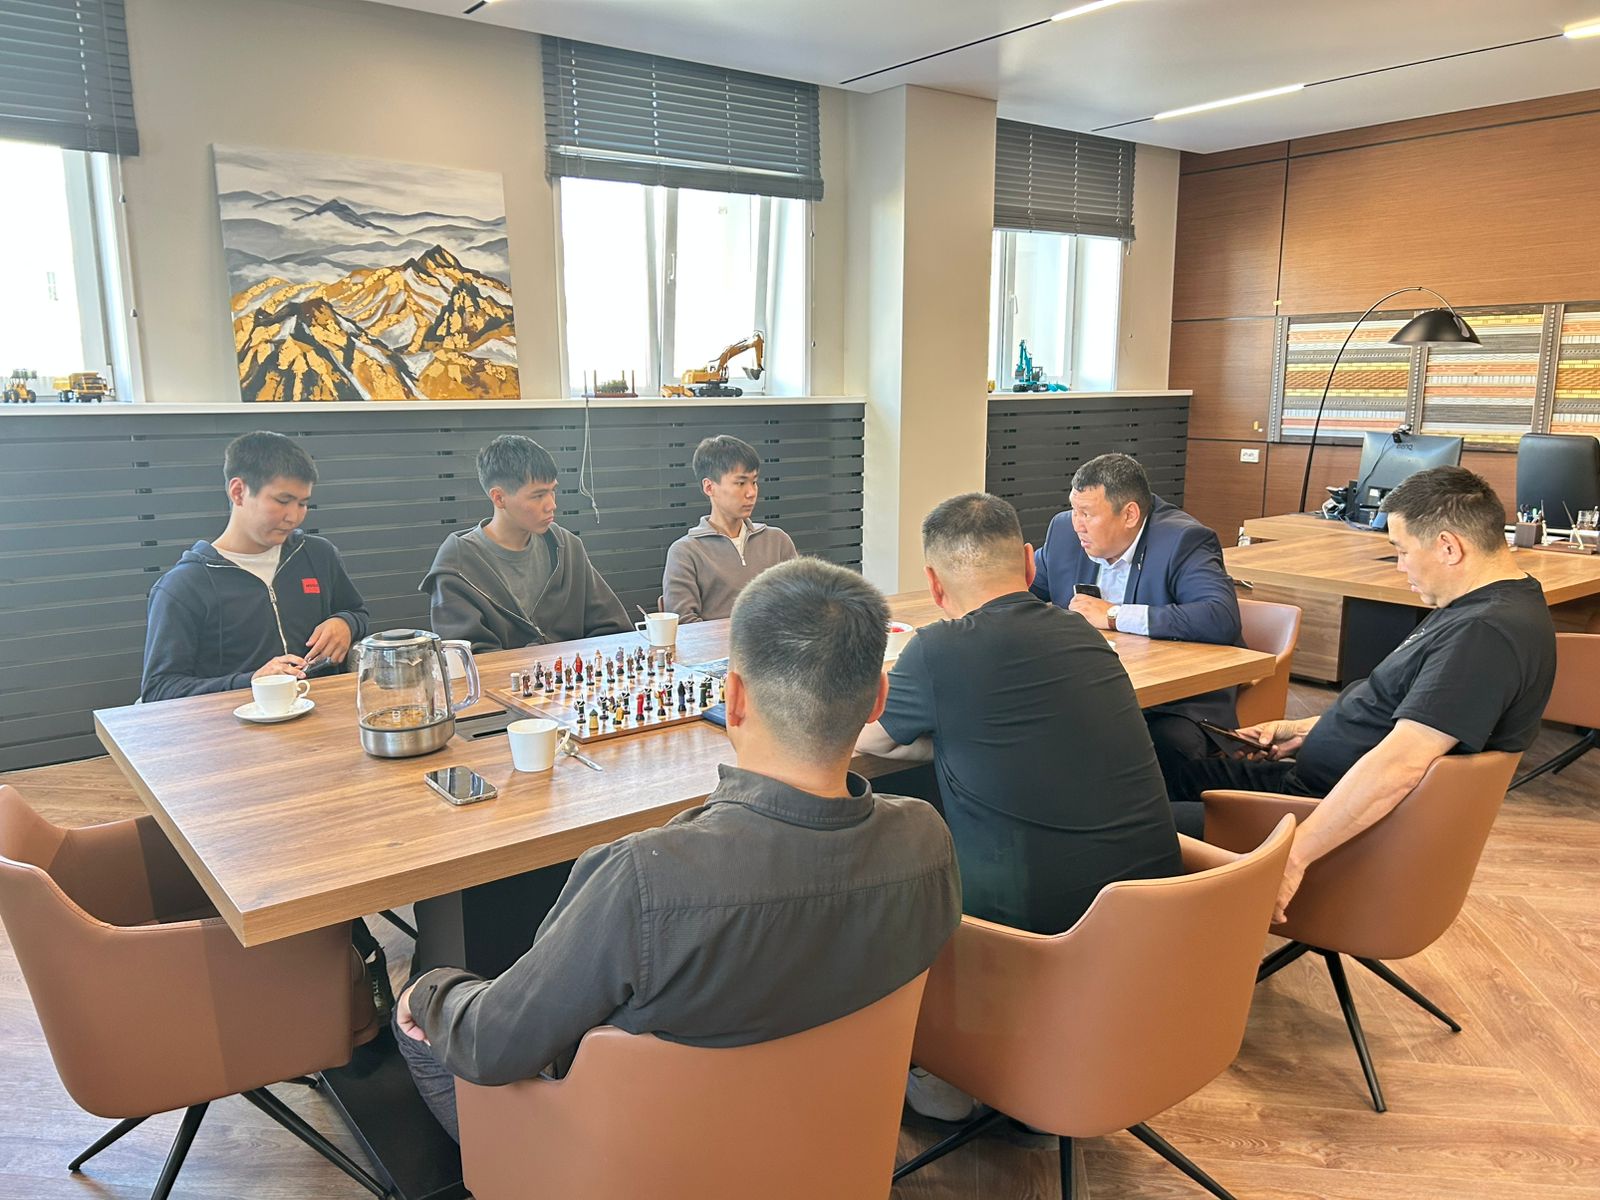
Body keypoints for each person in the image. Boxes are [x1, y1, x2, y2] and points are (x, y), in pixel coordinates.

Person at [394, 558, 962, 1142]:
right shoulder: (927, 839)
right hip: (836, 1141)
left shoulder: (639, 878)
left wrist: (431, 989)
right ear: (878, 700)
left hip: (644, 1162)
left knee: (419, 1018)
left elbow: (490, 1044)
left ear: (732, 698)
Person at [859, 492, 1181, 1127]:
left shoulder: (938, 651)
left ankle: (944, 1073)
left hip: (1030, 946)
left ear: (933, 584)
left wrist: (946, 732)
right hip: (1149, 934)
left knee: (873, 883)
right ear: (1031, 564)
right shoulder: (1083, 633)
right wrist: (963, 733)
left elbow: (868, 739)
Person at [1169, 466, 1556, 921]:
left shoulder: (1484, 635)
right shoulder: (1493, 607)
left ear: (1448, 547)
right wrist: (1310, 730)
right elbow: (1410, 714)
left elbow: (1401, 764)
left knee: (1130, 822)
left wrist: (1292, 858)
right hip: (1314, 788)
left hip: (1315, 818)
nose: (1400, 566)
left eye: (1402, 551)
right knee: (1163, 764)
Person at [1030, 453, 1243, 792]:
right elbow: (1024, 590)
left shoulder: (1182, 540)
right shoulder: (1063, 533)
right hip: (1087, 688)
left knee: (1161, 748)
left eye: (1087, 514)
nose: (1076, 524)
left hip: (1172, 702)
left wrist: (1113, 615)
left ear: (1129, 514)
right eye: (1074, 510)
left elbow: (1220, 616)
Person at [140, 430, 370, 702]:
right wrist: (252, 682)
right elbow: (159, 691)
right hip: (233, 726)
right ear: (238, 492)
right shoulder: (184, 586)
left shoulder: (318, 555)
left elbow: (357, 612)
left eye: (303, 503)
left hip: (325, 717)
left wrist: (345, 623)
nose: (294, 517)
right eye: (282, 501)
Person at [422, 434, 630, 650]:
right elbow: (470, 657)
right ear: (499, 498)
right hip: (504, 673)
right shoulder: (457, 566)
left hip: (572, 670)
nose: (551, 505)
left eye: (553, 490)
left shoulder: (566, 547)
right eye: (538, 495)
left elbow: (613, 629)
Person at [662, 434, 797, 621]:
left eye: (754, 482)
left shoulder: (777, 541)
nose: (751, 492)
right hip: (714, 641)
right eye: (740, 483)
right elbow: (684, 624)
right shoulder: (685, 552)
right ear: (709, 487)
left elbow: (800, 605)